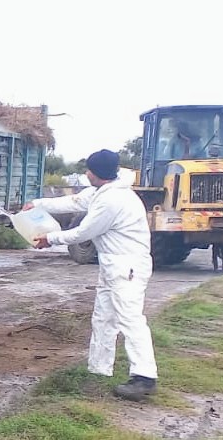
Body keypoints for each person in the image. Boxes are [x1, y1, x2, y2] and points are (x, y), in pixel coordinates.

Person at [26, 149, 158, 401]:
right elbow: (73, 202)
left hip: (127, 266)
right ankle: (99, 369)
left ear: (97, 173)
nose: (86, 173)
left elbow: (83, 232)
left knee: (130, 320)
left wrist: (50, 239)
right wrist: (38, 203)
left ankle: (144, 378)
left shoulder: (113, 200)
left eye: (89, 170)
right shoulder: (103, 192)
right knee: (103, 318)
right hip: (113, 266)